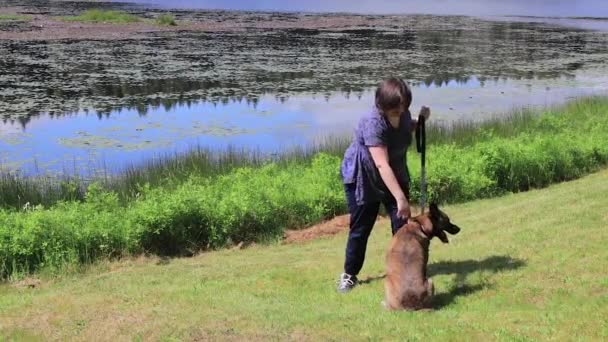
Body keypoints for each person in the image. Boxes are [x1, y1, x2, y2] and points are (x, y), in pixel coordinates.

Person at [337, 77, 431, 293]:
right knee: (361, 229)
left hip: (395, 172)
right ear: (383, 106)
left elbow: (406, 127)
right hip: (365, 178)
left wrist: (421, 121)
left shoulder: (404, 112)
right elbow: (380, 164)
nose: (401, 112)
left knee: (403, 228)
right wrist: (400, 198)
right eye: (396, 110)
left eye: (404, 108)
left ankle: (407, 271)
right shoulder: (373, 122)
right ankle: (349, 276)